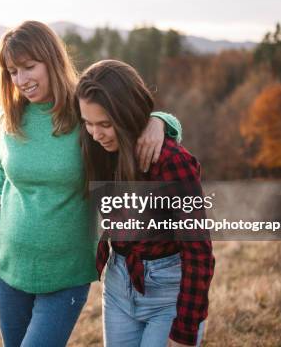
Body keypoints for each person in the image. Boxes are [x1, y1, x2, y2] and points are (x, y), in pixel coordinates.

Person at [0, 21, 183, 347]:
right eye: (12, 72)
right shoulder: (13, 115)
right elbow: (1, 166)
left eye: (29, 67)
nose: (21, 80)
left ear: (52, 60)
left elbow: (130, 120)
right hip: (8, 264)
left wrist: (160, 122)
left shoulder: (83, 111)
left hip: (66, 273)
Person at [75, 59, 215, 347]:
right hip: (118, 284)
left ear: (127, 115)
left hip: (168, 293)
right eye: (88, 123)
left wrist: (185, 330)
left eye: (104, 124)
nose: (95, 133)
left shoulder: (171, 162)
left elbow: (198, 250)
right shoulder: (98, 148)